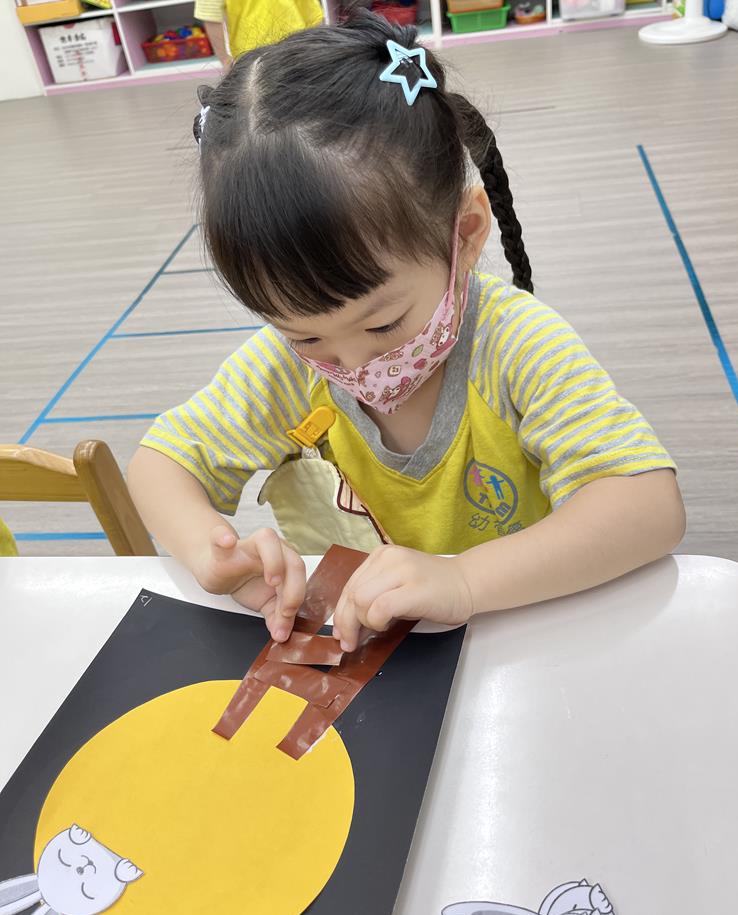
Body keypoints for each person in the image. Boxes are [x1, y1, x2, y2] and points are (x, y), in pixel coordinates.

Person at [127, 12, 685, 653]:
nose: (350, 362)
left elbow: (648, 507)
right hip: (381, 649)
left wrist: (464, 580)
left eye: (383, 323)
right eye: (305, 335)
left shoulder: (516, 346)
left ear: (465, 235)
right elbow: (160, 463)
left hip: (521, 629)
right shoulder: (285, 368)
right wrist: (211, 549)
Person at [195, 0, 322, 67]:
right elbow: (311, 12)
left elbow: (210, 15)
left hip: (252, 54)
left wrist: (225, 60)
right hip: (297, 46)